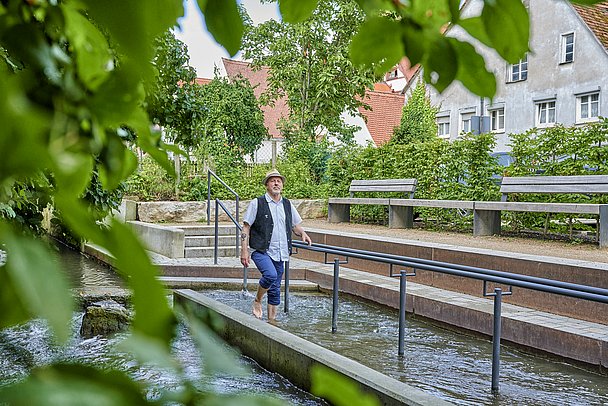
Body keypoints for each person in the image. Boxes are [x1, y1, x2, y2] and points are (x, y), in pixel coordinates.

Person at [240, 169, 312, 322]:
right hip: (261, 250)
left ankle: (272, 323)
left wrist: (303, 233)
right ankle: (258, 300)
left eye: (279, 180)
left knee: (275, 289)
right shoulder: (257, 203)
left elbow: (295, 226)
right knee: (270, 275)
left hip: (281, 252)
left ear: (282, 185)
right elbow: (246, 227)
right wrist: (244, 251)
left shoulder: (287, 204)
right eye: (272, 180)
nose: (276, 183)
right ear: (267, 184)